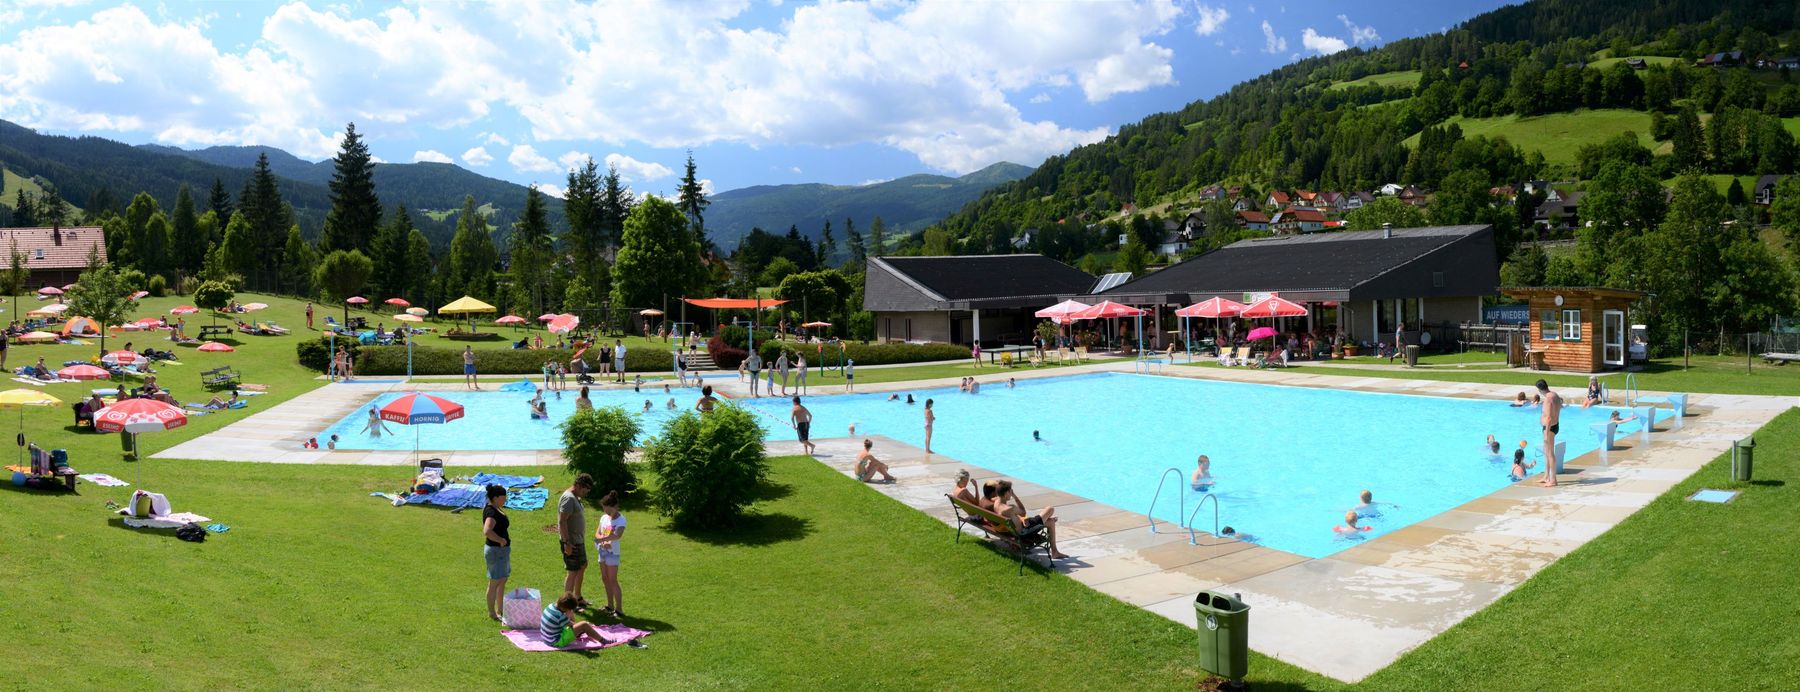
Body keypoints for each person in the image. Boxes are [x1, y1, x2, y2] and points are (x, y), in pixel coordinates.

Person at [988, 479, 1068, 559]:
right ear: (1006, 494)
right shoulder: (1010, 508)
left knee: (1050, 522)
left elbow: (1014, 516)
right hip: (1025, 531)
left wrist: (1021, 519)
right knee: (1050, 509)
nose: (1011, 493)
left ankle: (1055, 552)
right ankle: (1055, 552)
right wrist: (1015, 496)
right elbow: (1023, 512)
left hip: (1020, 527)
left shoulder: (996, 503)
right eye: (1010, 491)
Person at [557, 473, 593, 609]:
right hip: (571, 542)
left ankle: (577, 597)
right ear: (577, 485)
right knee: (572, 572)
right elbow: (562, 521)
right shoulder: (569, 498)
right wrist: (567, 543)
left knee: (582, 566)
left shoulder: (575, 497)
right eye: (584, 491)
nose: (585, 494)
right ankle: (568, 604)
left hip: (578, 540)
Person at [593, 490, 627, 617]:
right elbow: (597, 533)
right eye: (604, 509)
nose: (605, 512)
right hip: (602, 551)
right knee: (605, 578)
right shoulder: (604, 518)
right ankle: (610, 605)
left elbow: (617, 535)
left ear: (614, 507)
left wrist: (603, 540)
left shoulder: (621, 520)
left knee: (613, 580)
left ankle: (619, 609)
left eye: (607, 509)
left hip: (612, 554)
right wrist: (602, 541)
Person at [482, 484, 512, 621]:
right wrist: (500, 540)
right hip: (496, 552)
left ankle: (501, 609)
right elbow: (487, 531)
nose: (505, 500)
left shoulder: (495, 508)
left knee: (502, 580)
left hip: (501, 551)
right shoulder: (491, 512)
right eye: (503, 498)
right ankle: (492, 613)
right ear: (495, 498)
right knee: (494, 582)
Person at [538, 593, 610, 648]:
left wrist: (570, 614)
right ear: (565, 608)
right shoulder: (560, 616)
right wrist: (570, 615)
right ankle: (603, 640)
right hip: (555, 641)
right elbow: (572, 625)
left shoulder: (551, 606)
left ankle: (581, 633)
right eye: (569, 609)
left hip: (546, 638)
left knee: (580, 625)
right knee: (584, 625)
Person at [1537, 379, 1562, 487]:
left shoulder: (1548, 399)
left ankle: (1553, 480)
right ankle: (1546, 476)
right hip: (1554, 425)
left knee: (1550, 454)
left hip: (1549, 428)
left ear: (1539, 389)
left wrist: (1546, 433)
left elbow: (1548, 418)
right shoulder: (1554, 395)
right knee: (1546, 452)